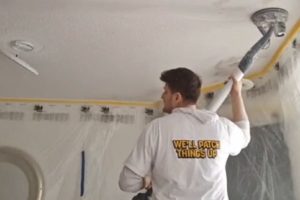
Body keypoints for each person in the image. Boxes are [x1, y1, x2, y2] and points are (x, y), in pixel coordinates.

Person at [119, 67, 250, 200]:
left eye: (166, 92)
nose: (162, 96)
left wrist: (146, 181)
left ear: (177, 97)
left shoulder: (156, 129)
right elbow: (244, 135)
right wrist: (236, 94)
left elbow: (127, 182)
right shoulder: (221, 127)